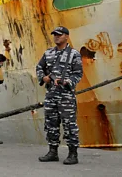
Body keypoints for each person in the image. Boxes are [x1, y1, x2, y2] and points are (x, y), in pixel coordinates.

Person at [36, 26, 83, 165]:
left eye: (59, 35)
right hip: (51, 95)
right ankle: (52, 152)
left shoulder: (74, 54)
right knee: (51, 124)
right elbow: (39, 67)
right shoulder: (48, 53)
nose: (56, 37)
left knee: (69, 125)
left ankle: (73, 154)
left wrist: (67, 82)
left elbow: (78, 73)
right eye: (55, 34)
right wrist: (43, 78)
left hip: (66, 96)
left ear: (66, 37)